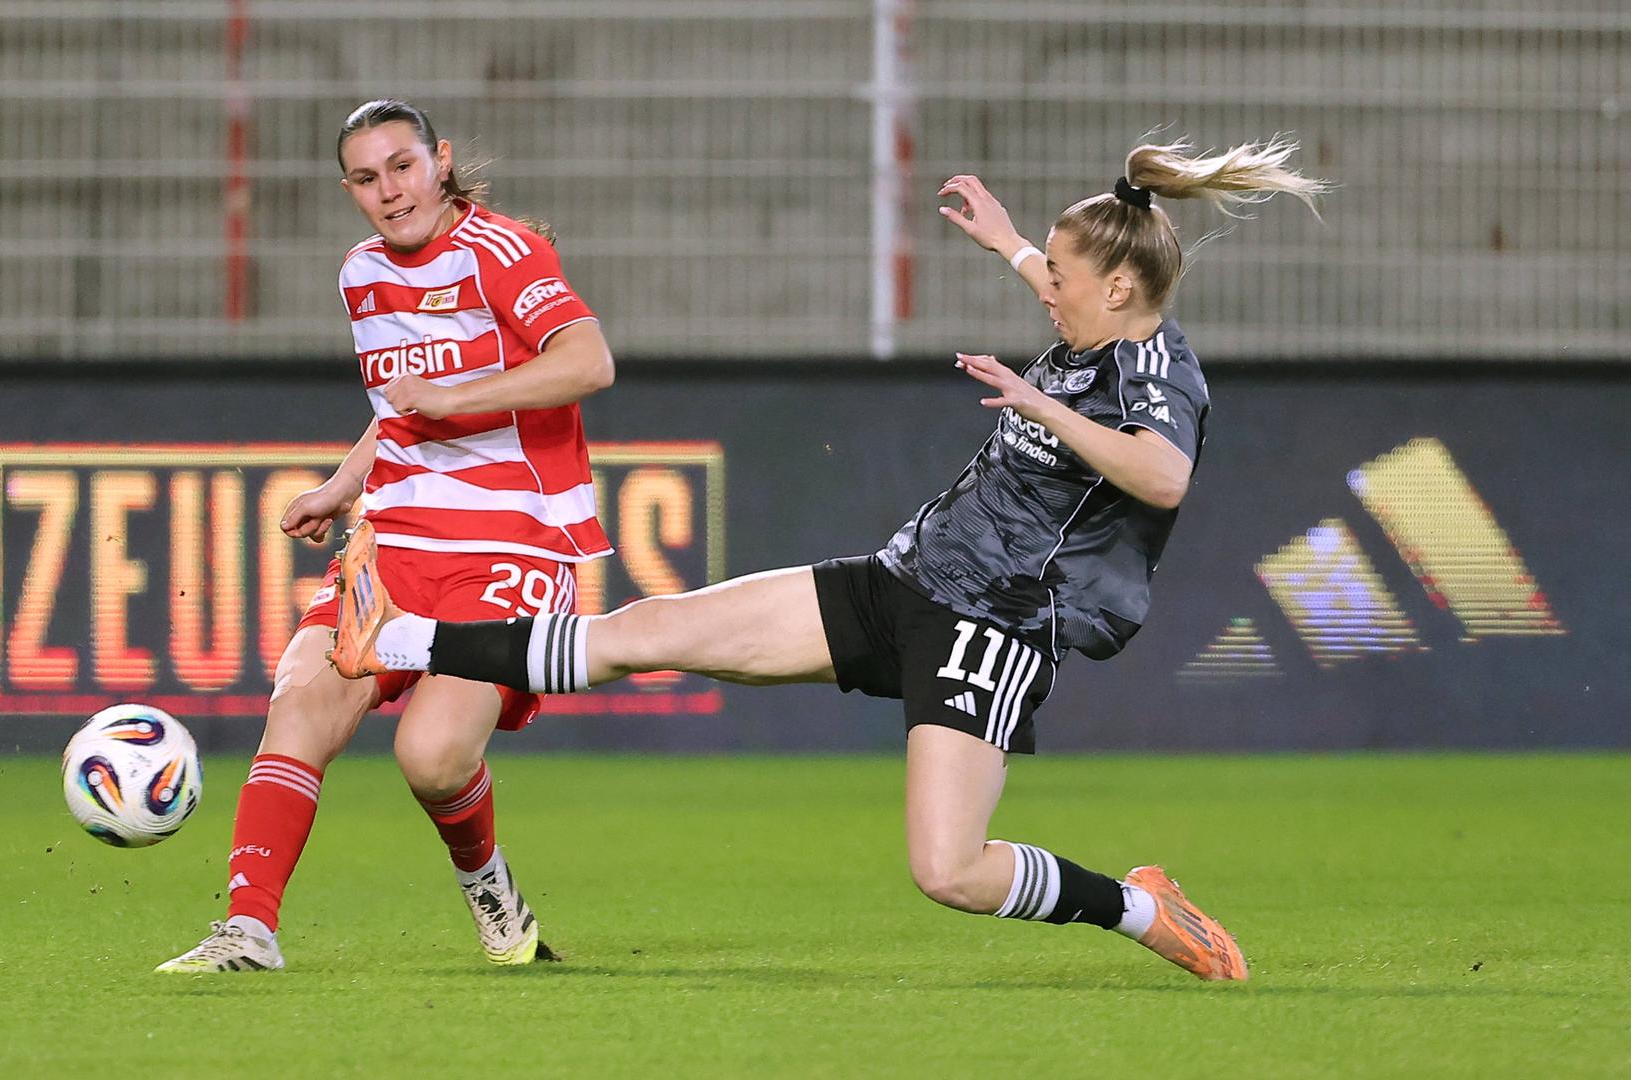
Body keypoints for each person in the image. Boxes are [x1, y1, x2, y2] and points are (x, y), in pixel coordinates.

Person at [335, 138, 1330, 982]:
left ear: (1119, 289)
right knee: (647, 631)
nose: (1048, 293)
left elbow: (1163, 479)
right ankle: (406, 637)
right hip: (905, 580)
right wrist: (1011, 243)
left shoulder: (1161, 374)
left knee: (949, 871)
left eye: (1061, 280)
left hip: (997, 627)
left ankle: (1139, 910)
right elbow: (1060, 284)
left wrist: (1041, 408)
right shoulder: (1097, 310)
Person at [157, 99, 615, 973]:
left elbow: (588, 360)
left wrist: (455, 398)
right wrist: (340, 485)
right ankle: (248, 929)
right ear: (349, 190)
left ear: (439, 162)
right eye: (367, 178)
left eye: (403, 166)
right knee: (301, 701)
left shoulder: (504, 252)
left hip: (513, 540)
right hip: (396, 536)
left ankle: (490, 890)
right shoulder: (361, 273)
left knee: (434, 758)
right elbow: (395, 411)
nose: (390, 191)